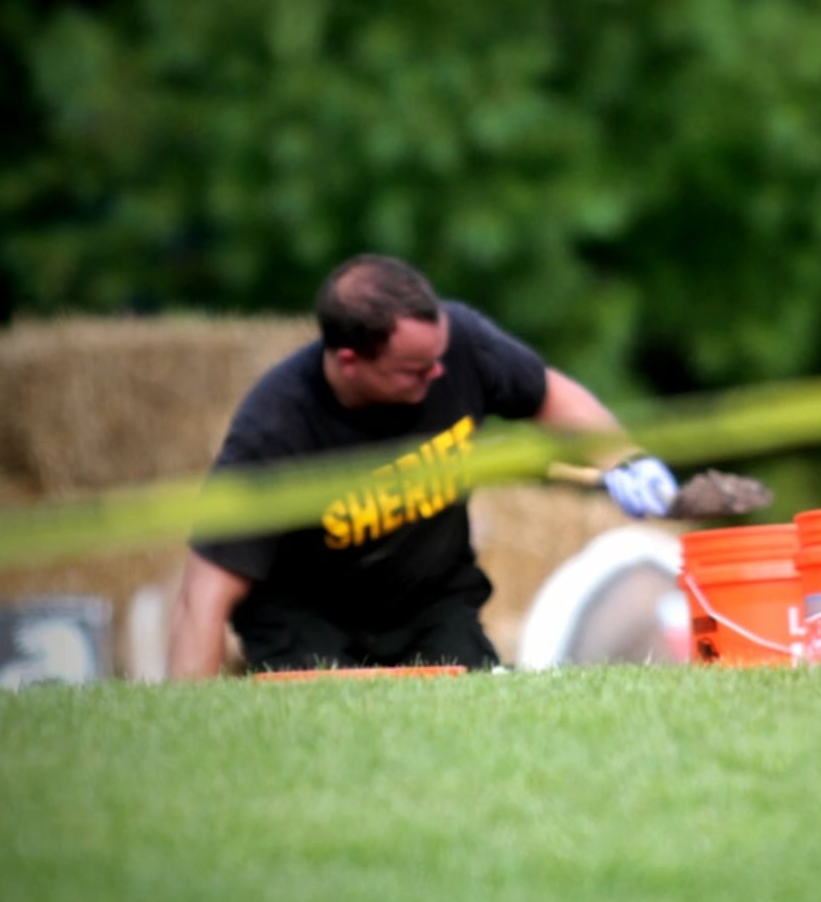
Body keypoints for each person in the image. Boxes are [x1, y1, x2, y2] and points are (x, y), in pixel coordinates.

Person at [166, 254, 678, 678]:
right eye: (415, 369)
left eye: (439, 357)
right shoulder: (273, 430)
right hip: (306, 621)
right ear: (349, 361)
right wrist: (186, 723)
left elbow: (549, 395)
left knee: (479, 721)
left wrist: (625, 460)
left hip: (429, 605)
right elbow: (203, 597)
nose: (439, 373)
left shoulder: (459, 346)